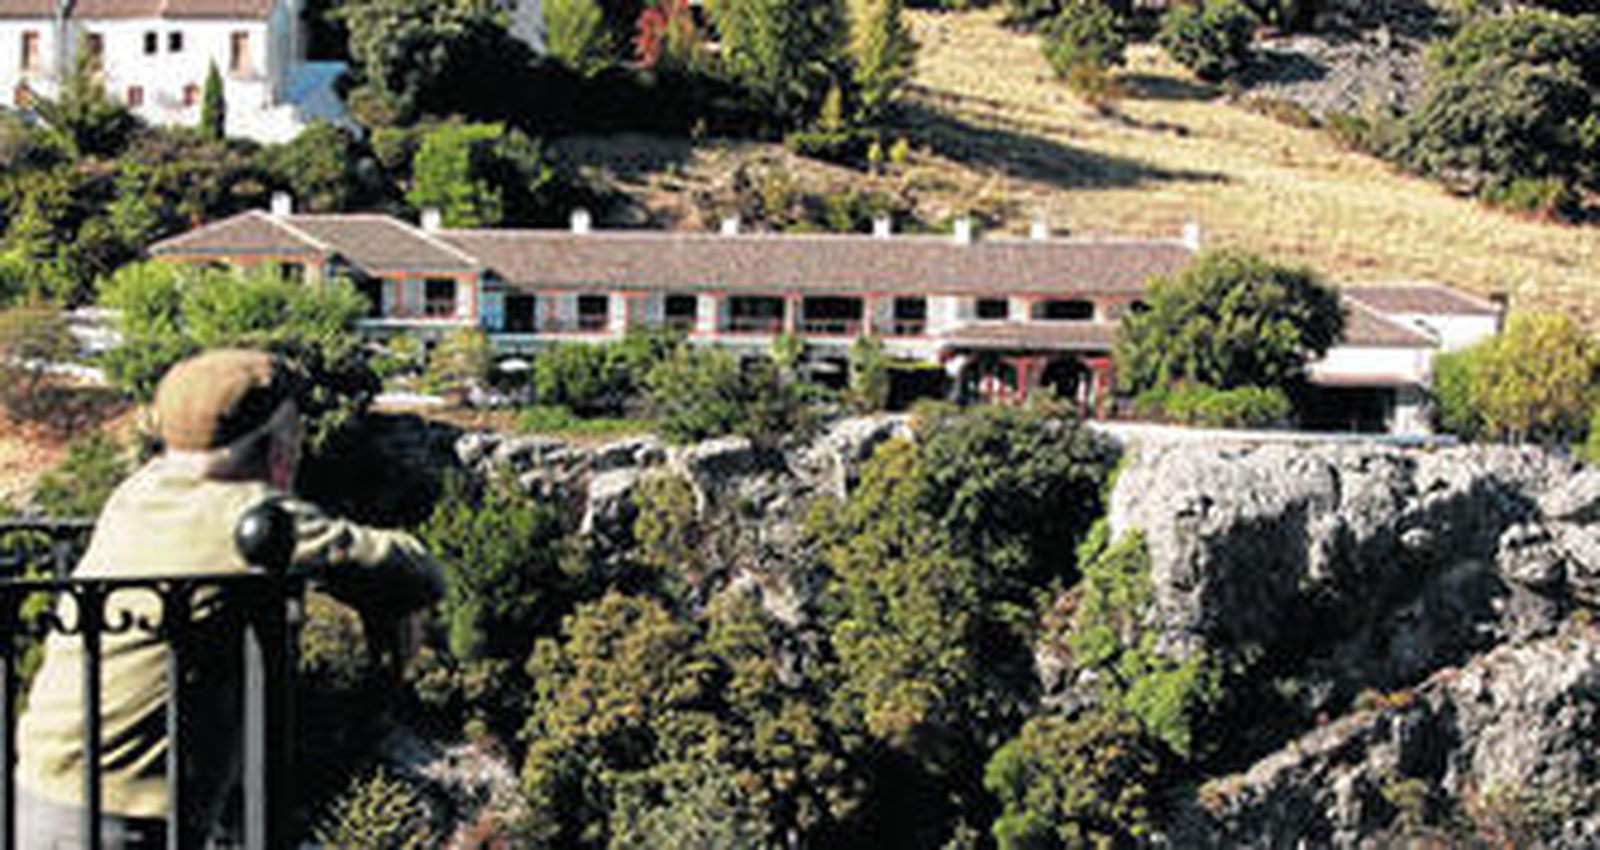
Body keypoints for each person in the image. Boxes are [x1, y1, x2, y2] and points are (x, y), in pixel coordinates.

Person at [14, 349, 446, 849]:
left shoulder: (138, 492)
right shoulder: (242, 517)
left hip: (45, 789)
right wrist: (393, 606)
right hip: (128, 818)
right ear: (281, 446)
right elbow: (412, 571)